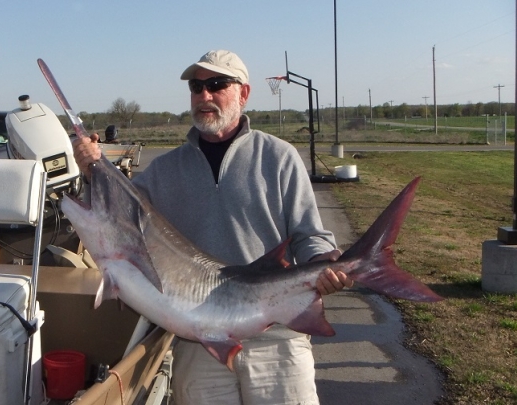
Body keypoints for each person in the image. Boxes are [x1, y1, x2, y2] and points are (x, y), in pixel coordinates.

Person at [72, 49, 353, 405]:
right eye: (196, 86)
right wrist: (91, 173)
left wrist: (326, 264)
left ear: (243, 93)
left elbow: (309, 235)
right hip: (198, 342)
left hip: (277, 340)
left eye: (217, 84)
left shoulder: (279, 157)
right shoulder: (164, 170)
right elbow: (112, 219)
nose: (204, 95)